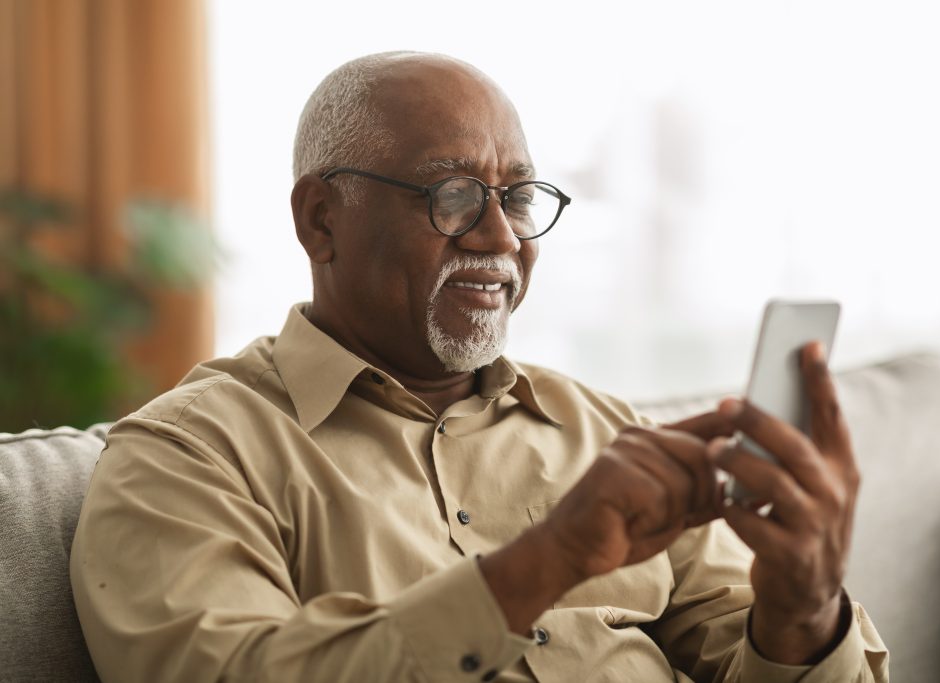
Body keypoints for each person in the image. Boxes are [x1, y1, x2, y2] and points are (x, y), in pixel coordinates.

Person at [70, 51, 889, 682]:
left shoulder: (608, 432)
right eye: (454, 194)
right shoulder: (189, 455)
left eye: (521, 197)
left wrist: (804, 606)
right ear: (322, 220)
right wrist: (547, 560)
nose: (502, 238)